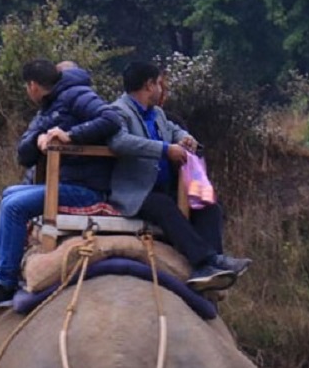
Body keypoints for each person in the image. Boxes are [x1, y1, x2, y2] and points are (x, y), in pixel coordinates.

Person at [0, 59, 121, 309]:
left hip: (86, 188)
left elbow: (111, 119)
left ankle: (4, 283)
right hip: (66, 183)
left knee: (15, 206)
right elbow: (24, 156)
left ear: (33, 85)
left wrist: (69, 136)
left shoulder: (76, 95)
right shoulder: (50, 107)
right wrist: (38, 138)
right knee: (9, 193)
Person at [107, 61, 251, 291]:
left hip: (165, 187)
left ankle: (215, 264)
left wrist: (186, 138)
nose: (161, 89)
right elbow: (119, 141)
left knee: (209, 206)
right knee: (164, 207)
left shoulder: (157, 114)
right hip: (137, 192)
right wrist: (165, 149)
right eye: (159, 84)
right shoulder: (117, 112)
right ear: (149, 85)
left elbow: (175, 130)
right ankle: (203, 262)